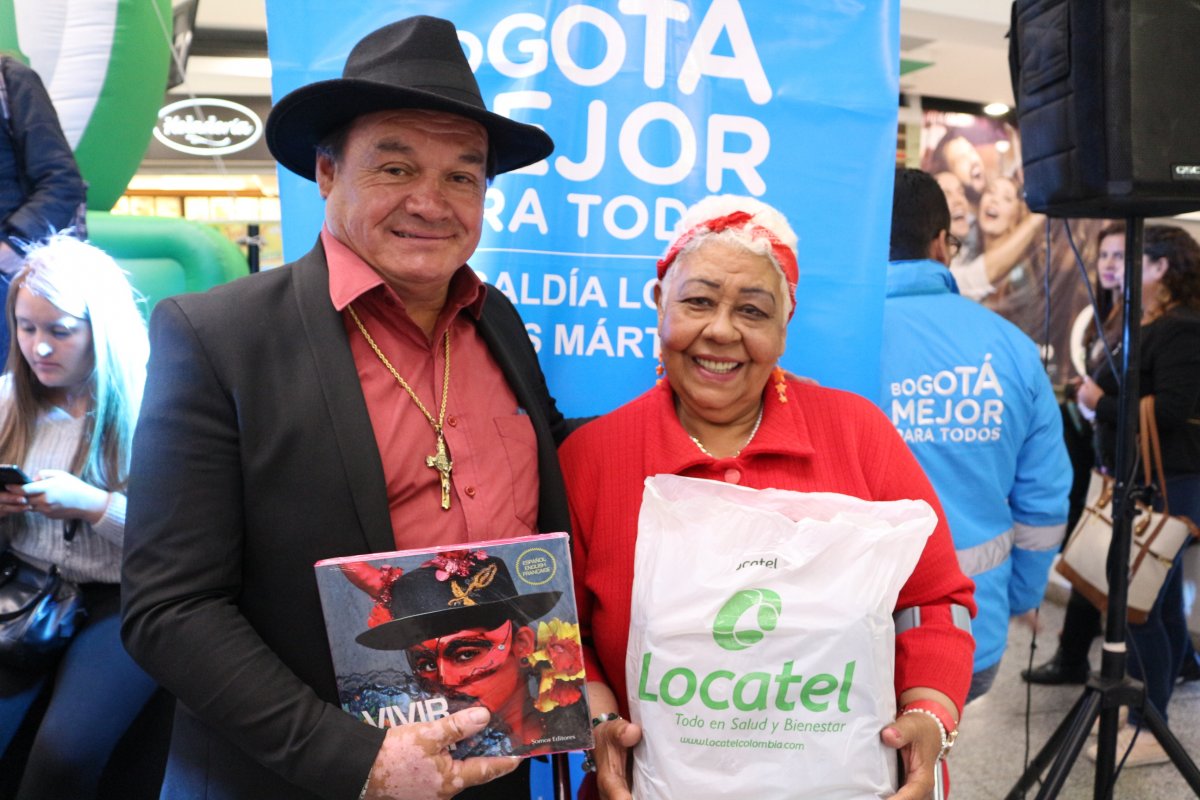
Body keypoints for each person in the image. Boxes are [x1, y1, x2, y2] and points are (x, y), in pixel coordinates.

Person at [120, 16, 570, 800]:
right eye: (396, 168)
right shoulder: (219, 337)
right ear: (326, 174)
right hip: (303, 778)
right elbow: (171, 608)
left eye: (462, 177)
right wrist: (355, 761)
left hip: (496, 762)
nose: (431, 202)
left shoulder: (496, 321)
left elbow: (559, 460)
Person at [560, 194, 976, 800]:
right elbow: (564, 636)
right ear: (659, 305)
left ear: (784, 327)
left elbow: (934, 601)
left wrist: (930, 714)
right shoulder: (594, 457)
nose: (721, 330)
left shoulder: (857, 435)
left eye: (752, 311)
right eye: (698, 301)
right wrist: (597, 723)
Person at [880, 168, 1071, 702]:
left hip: (840, 634)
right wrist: (1019, 596)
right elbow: (1044, 502)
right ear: (941, 242)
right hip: (968, 629)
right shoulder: (1013, 349)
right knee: (935, 744)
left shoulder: (825, 342)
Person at [0, 233, 157, 798]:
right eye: (26, 328)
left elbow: (182, 543)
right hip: (24, 587)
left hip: (124, 598)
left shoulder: (158, 408)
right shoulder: (6, 401)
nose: (39, 347)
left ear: (101, 330)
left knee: (63, 755)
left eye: (60, 331)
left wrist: (95, 506)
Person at [1075, 224, 1200, 766]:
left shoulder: (1182, 329)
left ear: (1160, 268)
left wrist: (1098, 402)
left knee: (1140, 608)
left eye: (1134, 260)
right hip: (1146, 481)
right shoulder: (1146, 322)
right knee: (1158, 606)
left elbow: (1169, 409)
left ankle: (1148, 724)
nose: (1121, 271)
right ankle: (1148, 717)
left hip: (1169, 483)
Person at [348, 551, 586, 756]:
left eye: (466, 654)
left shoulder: (568, 743)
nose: (446, 680)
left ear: (522, 645)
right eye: (427, 665)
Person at [1023, 222, 1127, 688]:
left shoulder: (1150, 324)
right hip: (1098, 458)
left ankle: (1072, 656)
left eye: (1120, 255)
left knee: (1097, 558)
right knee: (1092, 554)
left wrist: (1095, 401)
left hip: (1129, 465)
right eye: (1104, 255)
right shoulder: (1105, 316)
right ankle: (1073, 656)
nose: (1109, 265)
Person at [0, 55, 87, 359]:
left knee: (15, 383)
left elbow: (62, 181)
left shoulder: (11, 80)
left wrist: (12, 247)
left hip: (10, 280)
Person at [946, 175, 1046, 302]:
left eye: (1007, 198)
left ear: (1016, 217)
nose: (994, 200)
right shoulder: (966, 255)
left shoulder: (1020, 273)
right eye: (990, 191)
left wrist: (1034, 220)